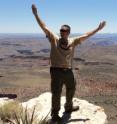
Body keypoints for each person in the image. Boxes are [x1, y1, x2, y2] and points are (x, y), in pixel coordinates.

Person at [32, 4, 106, 123]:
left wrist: (98, 29)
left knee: (71, 88)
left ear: (69, 32)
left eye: (65, 30)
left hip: (69, 70)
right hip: (56, 71)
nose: (63, 32)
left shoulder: (73, 41)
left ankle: (68, 107)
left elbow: (86, 35)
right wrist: (36, 14)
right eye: (61, 30)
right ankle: (55, 114)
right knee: (56, 93)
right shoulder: (54, 38)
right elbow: (44, 27)